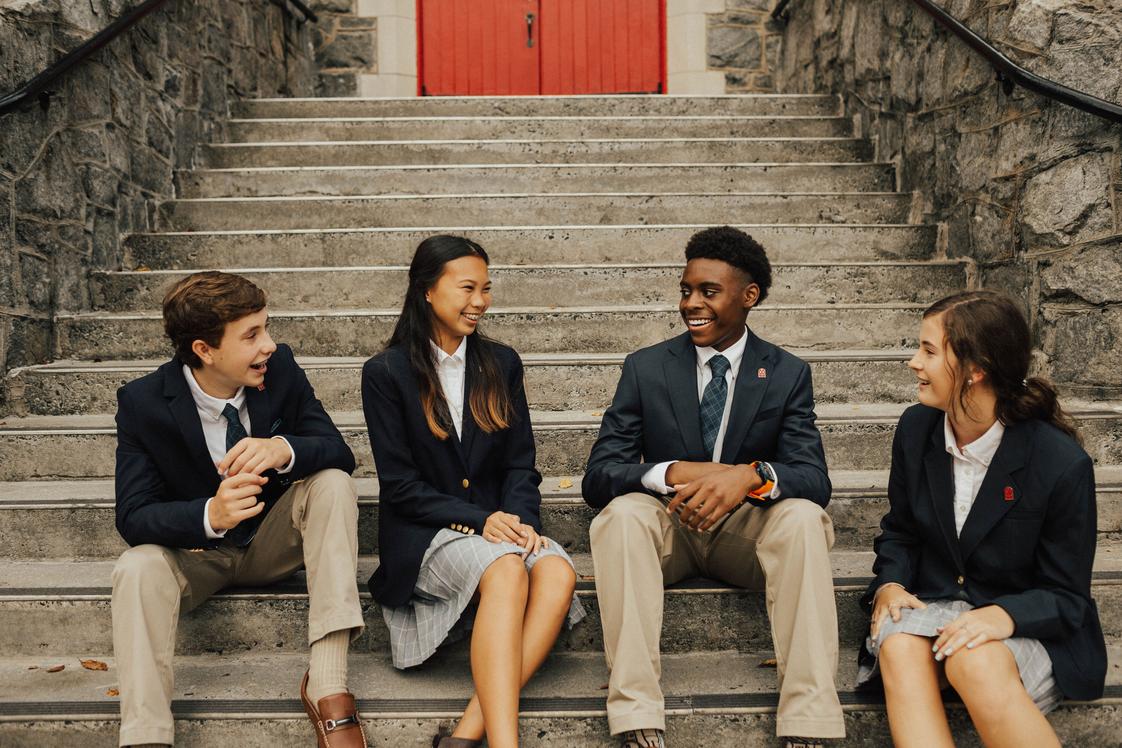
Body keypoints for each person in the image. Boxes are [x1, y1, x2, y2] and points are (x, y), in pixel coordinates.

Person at [583, 226, 845, 748]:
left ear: (749, 297)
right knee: (620, 516)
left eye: (708, 291)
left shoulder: (788, 373)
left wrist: (749, 476)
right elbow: (600, 475)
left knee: (803, 518)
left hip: (746, 537)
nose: (691, 304)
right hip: (670, 531)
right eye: (686, 290)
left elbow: (813, 479)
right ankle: (635, 708)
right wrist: (677, 472)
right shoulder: (646, 367)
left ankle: (809, 717)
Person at [111, 271, 367, 747]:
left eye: (266, 328)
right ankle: (146, 734)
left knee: (332, 483)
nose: (269, 345)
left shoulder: (281, 370)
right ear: (205, 350)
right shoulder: (144, 402)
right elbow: (134, 516)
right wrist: (210, 513)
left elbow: (338, 451)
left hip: (273, 545)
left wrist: (282, 448)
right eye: (252, 335)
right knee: (136, 566)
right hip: (196, 557)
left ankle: (329, 682)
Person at [361, 235, 585, 748]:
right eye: (467, 288)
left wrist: (521, 519)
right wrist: (480, 520)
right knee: (505, 568)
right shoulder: (387, 373)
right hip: (427, 533)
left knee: (555, 570)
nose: (480, 301)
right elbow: (399, 487)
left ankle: (464, 737)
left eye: (486, 288)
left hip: (499, 524)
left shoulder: (501, 363)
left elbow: (520, 465)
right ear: (426, 291)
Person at [858, 289, 1106, 747]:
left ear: (975, 370)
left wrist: (1002, 616)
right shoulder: (916, 429)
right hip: (936, 606)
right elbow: (901, 532)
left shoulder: (1060, 464)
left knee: (973, 659)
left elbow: (1067, 598)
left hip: (1028, 629)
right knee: (897, 644)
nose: (914, 361)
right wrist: (890, 584)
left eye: (929, 350)